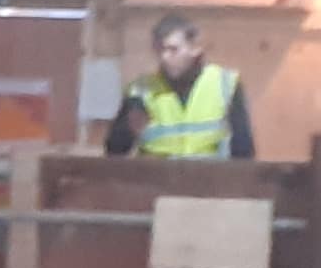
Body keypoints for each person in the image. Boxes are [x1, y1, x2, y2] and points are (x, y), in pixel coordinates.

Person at [108, 12, 252, 159]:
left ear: (195, 48)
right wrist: (127, 128)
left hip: (211, 180)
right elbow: (114, 151)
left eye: (173, 49)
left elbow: (244, 150)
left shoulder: (226, 84)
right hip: (156, 181)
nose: (164, 57)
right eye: (159, 50)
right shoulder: (139, 91)